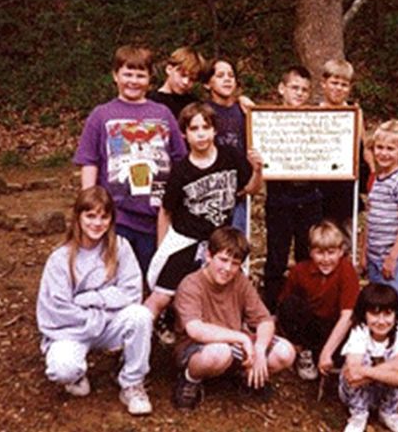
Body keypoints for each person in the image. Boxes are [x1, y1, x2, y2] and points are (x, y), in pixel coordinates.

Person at [36, 186, 155, 415]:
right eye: (90, 216)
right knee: (63, 368)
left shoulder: (120, 247)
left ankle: (132, 383)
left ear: (111, 219)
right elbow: (57, 309)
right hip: (72, 329)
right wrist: (99, 313)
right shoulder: (60, 258)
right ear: (78, 217)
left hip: (107, 323)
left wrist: (92, 298)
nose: (97, 223)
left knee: (140, 315)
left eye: (104, 216)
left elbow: (131, 292)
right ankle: (76, 377)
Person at [74, 45, 187, 279]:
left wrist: (176, 203)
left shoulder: (163, 114)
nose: (133, 81)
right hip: (116, 215)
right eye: (127, 74)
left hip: (157, 216)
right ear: (115, 75)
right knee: (114, 273)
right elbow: (89, 161)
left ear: (149, 79)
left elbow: (180, 160)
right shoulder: (101, 115)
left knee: (153, 274)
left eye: (140, 75)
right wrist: (90, 204)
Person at [142, 102, 263, 320]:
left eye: (205, 128)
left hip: (220, 244)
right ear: (184, 134)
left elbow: (250, 189)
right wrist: (163, 249)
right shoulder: (181, 171)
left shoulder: (231, 157)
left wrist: (257, 171)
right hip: (187, 240)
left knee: (229, 296)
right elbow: (166, 211)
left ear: (214, 130)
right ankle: (136, 339)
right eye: (194, 129)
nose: (201, 135)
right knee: (160, 298)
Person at [168, 226, 295, 409]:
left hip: (235, 346)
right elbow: (195, 330)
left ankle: (246, 377)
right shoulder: (191, 284)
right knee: (219, 352)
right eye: (223, 260)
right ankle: (190, 380)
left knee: (285, 353)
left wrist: (259, 349)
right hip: (198, 349)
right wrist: (242, 337)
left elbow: (264, 320)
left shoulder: (240, 281)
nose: (227, 269)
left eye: (235, 263)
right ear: (209, 256)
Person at [261, 66, 324, 310]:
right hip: (279, 198)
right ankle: (271, 311)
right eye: (294, 88)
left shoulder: (317, 122)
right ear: (281, 88)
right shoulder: (268, 121)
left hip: (310, 197)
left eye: (305, 90)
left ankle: (305, 309)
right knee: (276, 256)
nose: (299, 93)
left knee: (307, 257)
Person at [276, 220, 359, 383]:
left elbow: (348, 315)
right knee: (290, 305)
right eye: (320, 253)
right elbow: (284, 306)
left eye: (331, 252)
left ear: (341, 251)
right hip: (312, 327)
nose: (326, 259)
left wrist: (327, 351)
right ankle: (304, 353)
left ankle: (329, 356)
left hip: (337, 327)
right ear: (310, 252)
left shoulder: (346, 270)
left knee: (339, 359)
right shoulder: (299, 271)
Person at [364, 119, 398, 334]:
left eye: (390, 148)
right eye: (379, 147)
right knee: (379, 308)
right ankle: (382, 356)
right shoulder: (376, 179)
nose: (384, 153)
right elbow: (370, 218)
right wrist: (364, 253)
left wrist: (393, 256)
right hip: (375, 257)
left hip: (397, 258)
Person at [339, 283, 398, 432]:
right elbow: (352, 377)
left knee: (384, 367)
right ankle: (358, 414)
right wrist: (393, 365)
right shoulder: (360, 331)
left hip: (383, 392)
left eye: (387, 314)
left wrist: (366, 372)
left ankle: (389, 412)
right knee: (366, 359)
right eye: (374, 314)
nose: (381, 321)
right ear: (364, 314)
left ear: (395, 314)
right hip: (354, 394)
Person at [314, 58, 370, 229]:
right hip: (319, 184)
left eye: (344, 85)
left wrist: (374, 177)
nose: (338, 88)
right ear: (324, 83)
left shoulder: (354, 112)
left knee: (344, 236)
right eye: (334, 83)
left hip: (345, 184)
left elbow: (364, 146)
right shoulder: (314, 111)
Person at [201, 57, 253, 234]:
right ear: (208, 84)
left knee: (236, 241)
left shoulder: (244, 110)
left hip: (239, 190)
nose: (227, 79)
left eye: (231, 75)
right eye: (220, 75)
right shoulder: (203, 111)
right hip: (210, 190)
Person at [147, 46, 204, 119]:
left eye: (192, 79)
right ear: (169, 69)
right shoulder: (151, 100)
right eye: (183, 75)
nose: (186, 82)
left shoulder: (194, 104)